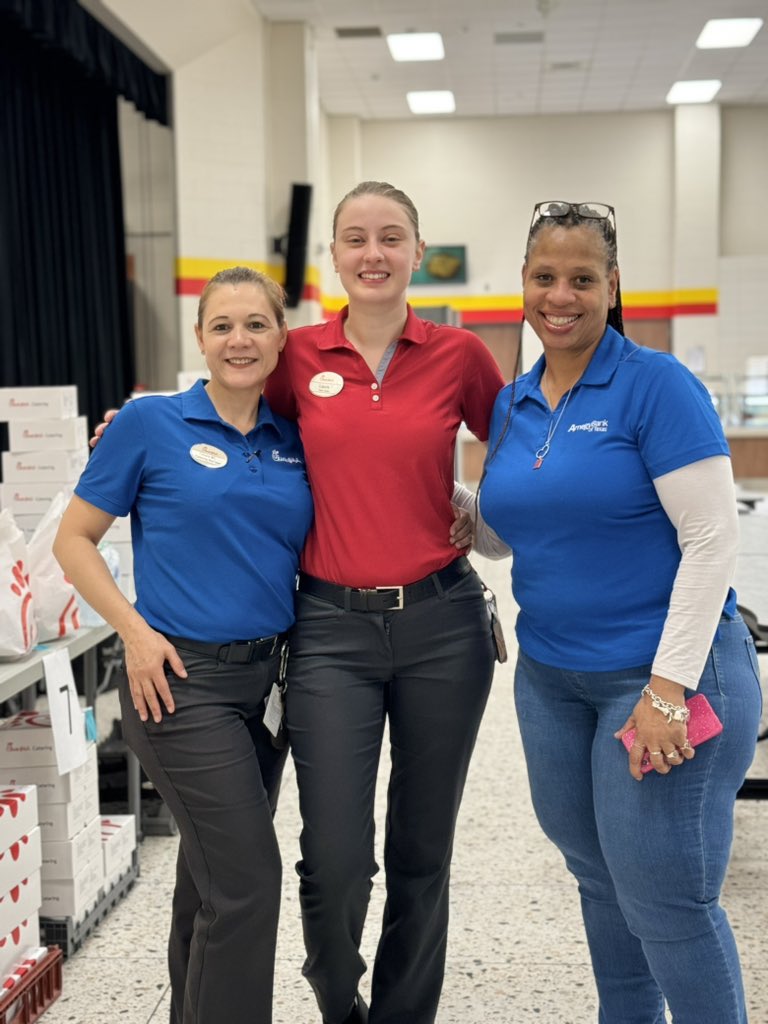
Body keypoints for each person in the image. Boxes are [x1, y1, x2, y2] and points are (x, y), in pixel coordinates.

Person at [478, 200, 763, 1023]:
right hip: (554, 681)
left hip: (664, 679)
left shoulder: (654, 385)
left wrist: (668, 688)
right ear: (522, 286)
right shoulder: (515, 402)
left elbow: (711, 541)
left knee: (667, 899)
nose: (559, 295)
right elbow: (507, 532)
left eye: (581, 278)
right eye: (543, 276)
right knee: (599, 879)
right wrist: (452, 507)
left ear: (612, 286)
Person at [263, 180, 504, 1024]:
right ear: (333, 253)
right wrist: (141, 431)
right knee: (334, 854)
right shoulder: (294, 357)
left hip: (444, 627)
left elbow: (523, 450)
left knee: (419, 852)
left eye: (391, 237)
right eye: (356, 238)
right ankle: (339, 1003)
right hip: (328, 630)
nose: (374, 253)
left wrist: (480, 513)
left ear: (416, 251)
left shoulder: (461, 355)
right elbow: (226, 423)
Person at [54, 267, 314, 1024]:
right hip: (178, 684)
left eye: (256, 325)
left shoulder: (294, 437)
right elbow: (74, 541)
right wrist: (132, 632)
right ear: (199, 338)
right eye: (223, 325)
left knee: (209, 886)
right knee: (249, 883)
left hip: (268, 688)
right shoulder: (147, 424)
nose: (240, 339)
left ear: (280, 339)